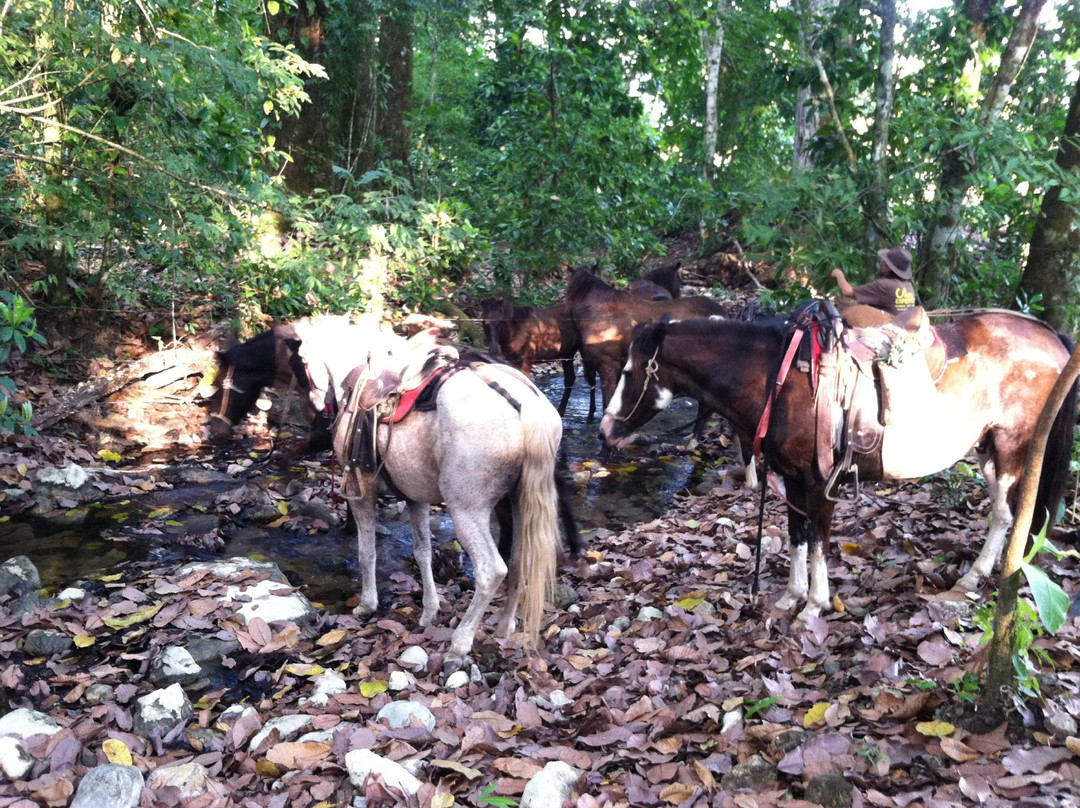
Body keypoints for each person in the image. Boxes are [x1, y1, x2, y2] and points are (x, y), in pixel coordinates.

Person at [831, 246, 916, 316]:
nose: (882, 262)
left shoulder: (884, 286)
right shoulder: (909, 286)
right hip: (903, 325)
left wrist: (839, 274)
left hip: (888, 328)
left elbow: (847, 292)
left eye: (884, 261)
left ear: (889, 267)